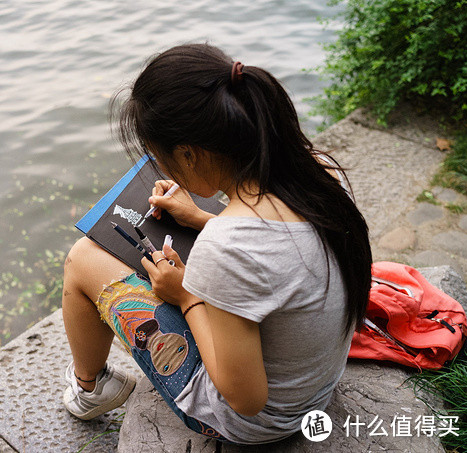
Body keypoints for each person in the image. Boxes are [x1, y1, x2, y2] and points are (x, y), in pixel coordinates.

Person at [60, 43, 372, 445]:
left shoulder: (227, 246)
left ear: (189, 154)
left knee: (84, 258)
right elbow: (281, 251)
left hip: (260, 422)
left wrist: (186, 295)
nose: (162, 167)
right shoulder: (320, 173)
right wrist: (200, 218)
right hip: (313, 384)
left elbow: (245, 399)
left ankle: (89, 390)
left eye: (160, 157)